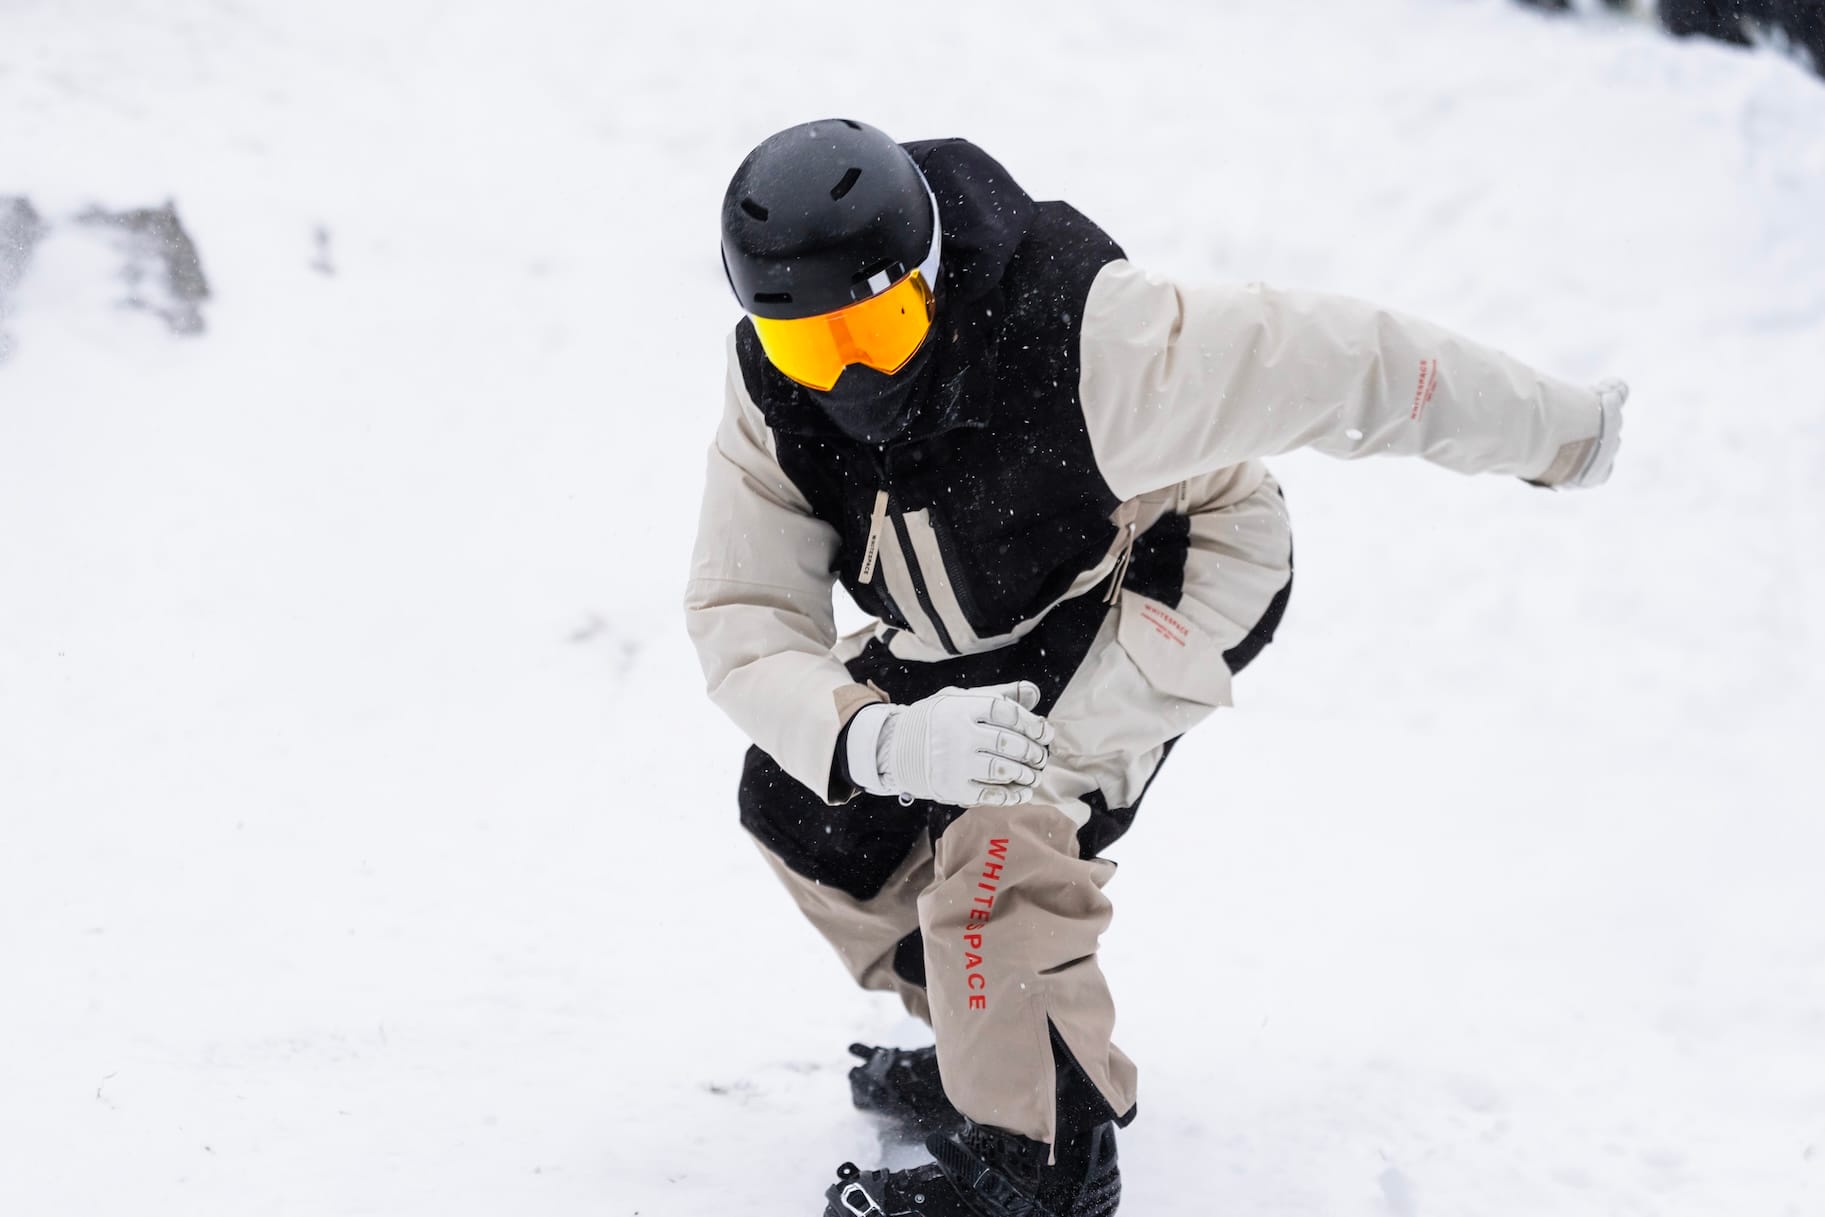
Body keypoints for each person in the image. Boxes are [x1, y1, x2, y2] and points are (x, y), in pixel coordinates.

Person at [685, 119, 1626, 1217]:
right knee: (808, 805)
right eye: (812, 346)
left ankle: (1045, 1159)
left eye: (882, 327)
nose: (848, 374)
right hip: (987, 616)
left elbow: (1350, 361)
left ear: (932, 279)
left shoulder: (1091, 340)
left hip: (1170, 563)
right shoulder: (775, 399)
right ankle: (990, 1045)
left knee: (1002, 814)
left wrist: (1562, 435)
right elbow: (742, 612)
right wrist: (879, 738)